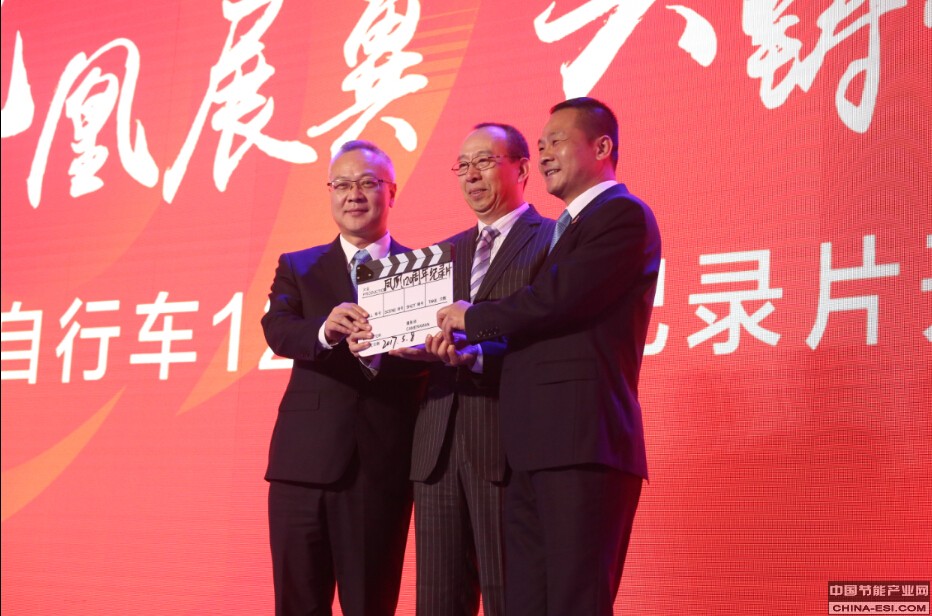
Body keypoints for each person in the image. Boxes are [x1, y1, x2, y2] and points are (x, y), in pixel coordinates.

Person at [437, 98, 661, 615]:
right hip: (534, 449)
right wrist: (474, 356)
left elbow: (557, 301)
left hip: (584, 444)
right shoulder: (567, 230)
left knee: (574, 600)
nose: (543, 156)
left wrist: (474, 317)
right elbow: (543, 337)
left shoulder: (623, 215)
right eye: (539, 147)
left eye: (555, 142)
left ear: (601, 147)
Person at [392, 123, 554, 616]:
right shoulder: (438, 256)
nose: (471, 175)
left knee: (512, 596)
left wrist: (480, 353)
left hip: (506, 443)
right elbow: (414, 328)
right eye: (462, 165)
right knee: (437, 601)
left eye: (484, 161)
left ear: (522, 169)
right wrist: (397, 344)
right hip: (436, 447)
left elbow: (546, 333)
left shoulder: (552, 239)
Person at [262, 140, 427, 616]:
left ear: (391, 192)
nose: (354, 195)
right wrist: (325, 331)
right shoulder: (299, 266)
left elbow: (433, 354)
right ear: (330, 192)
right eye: (342, 185)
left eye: (368, 183)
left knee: (371, 604)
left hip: (381, 466)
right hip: (301, 466)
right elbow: (278, 329)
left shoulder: (423, 270)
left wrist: (398, 356)